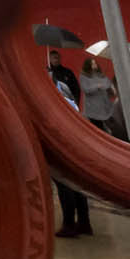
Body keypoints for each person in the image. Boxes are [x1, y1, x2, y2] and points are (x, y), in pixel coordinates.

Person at [50, 58, 92, 239]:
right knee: (77, 184)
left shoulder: (52, 97)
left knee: (64, 184)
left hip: (61, 141)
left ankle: (69, 224)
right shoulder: (66, 91)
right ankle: (84, 222)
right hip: (75, 139)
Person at [78, 56, 116, 131]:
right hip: (93, 109)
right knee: (98, 129)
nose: (95, 65)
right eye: (92, 64)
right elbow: (86, 89)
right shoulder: (84, 77)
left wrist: (110, 87)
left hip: (104, 106)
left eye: (95, 63)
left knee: (111, 128)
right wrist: (97, 86)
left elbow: (107, 84)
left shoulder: (101, 75)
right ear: (88, 65)